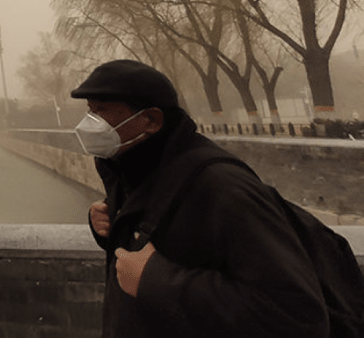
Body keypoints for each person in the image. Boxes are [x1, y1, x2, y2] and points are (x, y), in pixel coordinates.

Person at [71, 59, 329, 338]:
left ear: (151, 120)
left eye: (103, 111)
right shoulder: (131, 170)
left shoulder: (222, 188)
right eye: (90, 110)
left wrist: (155, 280)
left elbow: (296, 315)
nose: (90, 122)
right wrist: (114, 225)